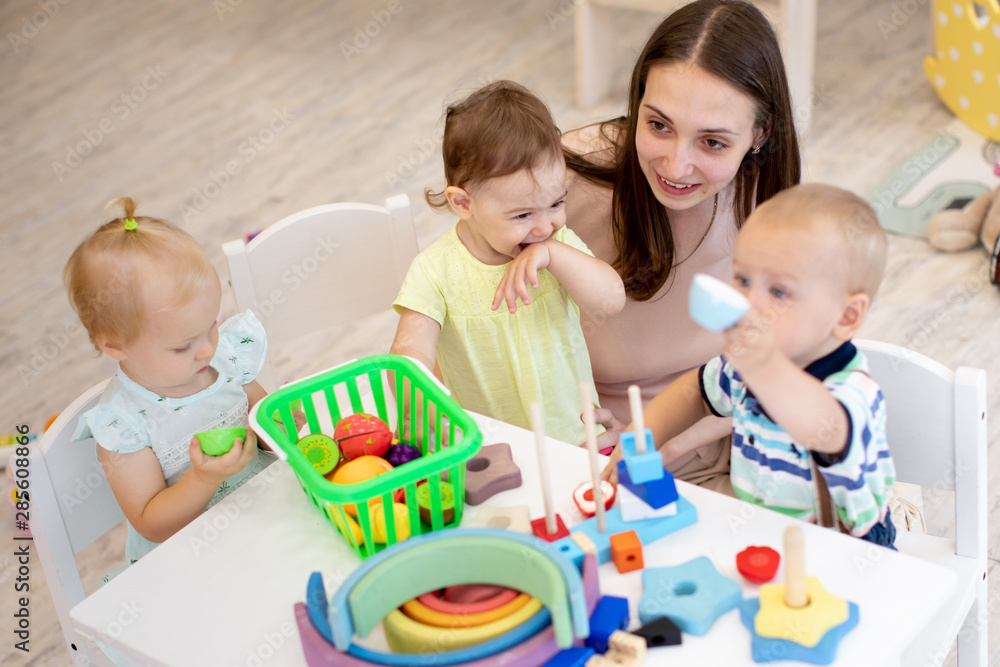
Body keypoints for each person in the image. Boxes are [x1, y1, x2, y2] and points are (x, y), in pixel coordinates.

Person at [564, 0, 801, 492]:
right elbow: (466, 301)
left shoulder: (769, 198)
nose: (674, 167)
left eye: (712, 142)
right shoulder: (564, 184)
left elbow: (786, 351)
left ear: (761, 134)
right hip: (590, 449)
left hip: (724, 437)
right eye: (658, 125)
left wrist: (685, 434)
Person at [609, 183, 897, 546]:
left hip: (846, 549)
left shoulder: (852, 392)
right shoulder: (743, 366)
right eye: (743, 280)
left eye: (778, 292)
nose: (749, 301)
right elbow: (696, 391)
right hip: (764, 528)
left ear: (846, 315)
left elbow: (821, 428)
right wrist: (638, 440)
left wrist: (761, 364)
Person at [391, 80, 625, 444]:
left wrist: (553, 255)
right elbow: (409, 352)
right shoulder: (435, 271)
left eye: (557, 203)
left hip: (579, 439)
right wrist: (418, 407)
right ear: (463, 204)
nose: (546, 225)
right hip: (491, 449)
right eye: (522, 215)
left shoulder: (555, 245)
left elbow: (611, 300)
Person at [66, 198, 275, 564]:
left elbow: (262, 421)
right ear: (114, 345)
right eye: (182, 347)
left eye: (210, 324)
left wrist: (280, 422)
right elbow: (152, 523)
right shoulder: (123, 423)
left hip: (264, 519)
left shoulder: (224, 358)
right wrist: (204, 479)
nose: (207, 349)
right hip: (195, 559)